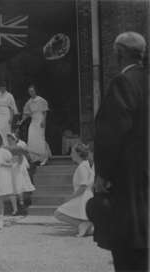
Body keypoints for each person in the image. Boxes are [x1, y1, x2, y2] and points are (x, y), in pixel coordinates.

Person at [93, 32, 148, 271]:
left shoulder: (122, 82)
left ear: (119, 53)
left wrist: (102, 174)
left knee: (127, 250)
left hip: (127, 182)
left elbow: (112, 133)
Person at [54, 143, 94, 237]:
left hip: (83, 196)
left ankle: (81, 225)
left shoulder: (82, 167)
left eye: (72, 152)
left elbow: (83, 186)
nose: (71, 155)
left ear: (78, 154)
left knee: (58, 213)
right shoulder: (86, 165)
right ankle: (85, 227)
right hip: (86, 195)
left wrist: (71, 198)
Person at [19, 84, 51, 166]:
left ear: (35, 91)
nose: (31, 92)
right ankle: (35, 158)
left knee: (40, 139)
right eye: (30, 91)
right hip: (33, 121)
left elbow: (44, 112)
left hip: (40, 120)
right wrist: (21, 120)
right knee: (32, 138)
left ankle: (44, 158)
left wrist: (43, 121)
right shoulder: (29, 102)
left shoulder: (41, 100)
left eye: (32, 91)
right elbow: (26, 114)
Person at [7, 132, 35, 216]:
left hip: (17, 169)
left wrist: (16, 161)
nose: (9, 141)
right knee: (11, 189)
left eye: (11, 139)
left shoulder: (19, 148)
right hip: (9, 169)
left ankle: (22, 205)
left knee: (19, 186)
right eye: (8, 140)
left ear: (15, 140)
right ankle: (14, 209)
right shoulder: (6, 149)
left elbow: (20, 160)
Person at [0, 80, 18, 146]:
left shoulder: (9, 96)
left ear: (5, 88)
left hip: (6, 114)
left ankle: (6, 145)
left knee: (6, 130)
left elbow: (12, 108)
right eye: (1, 87)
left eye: (3, 87)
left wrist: (11, 118)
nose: (2, 89)